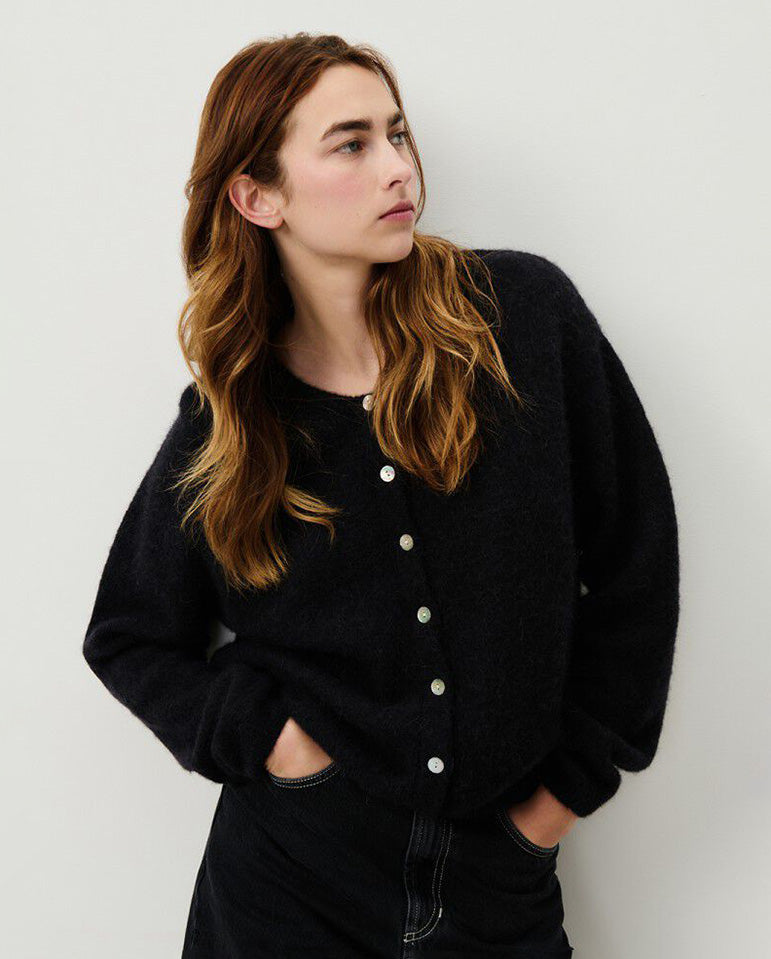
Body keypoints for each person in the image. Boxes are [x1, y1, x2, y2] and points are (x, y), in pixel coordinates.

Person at [82, 32, 680, 959]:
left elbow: (635, 563)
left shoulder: (518, 321)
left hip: (497, 886)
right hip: (288, 886)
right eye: (351, 144)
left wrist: (557, 800)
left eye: (396, 134)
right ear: (258, 196)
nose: (398, 166)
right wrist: (274, 742)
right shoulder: (235, 419)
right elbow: (128, 633)